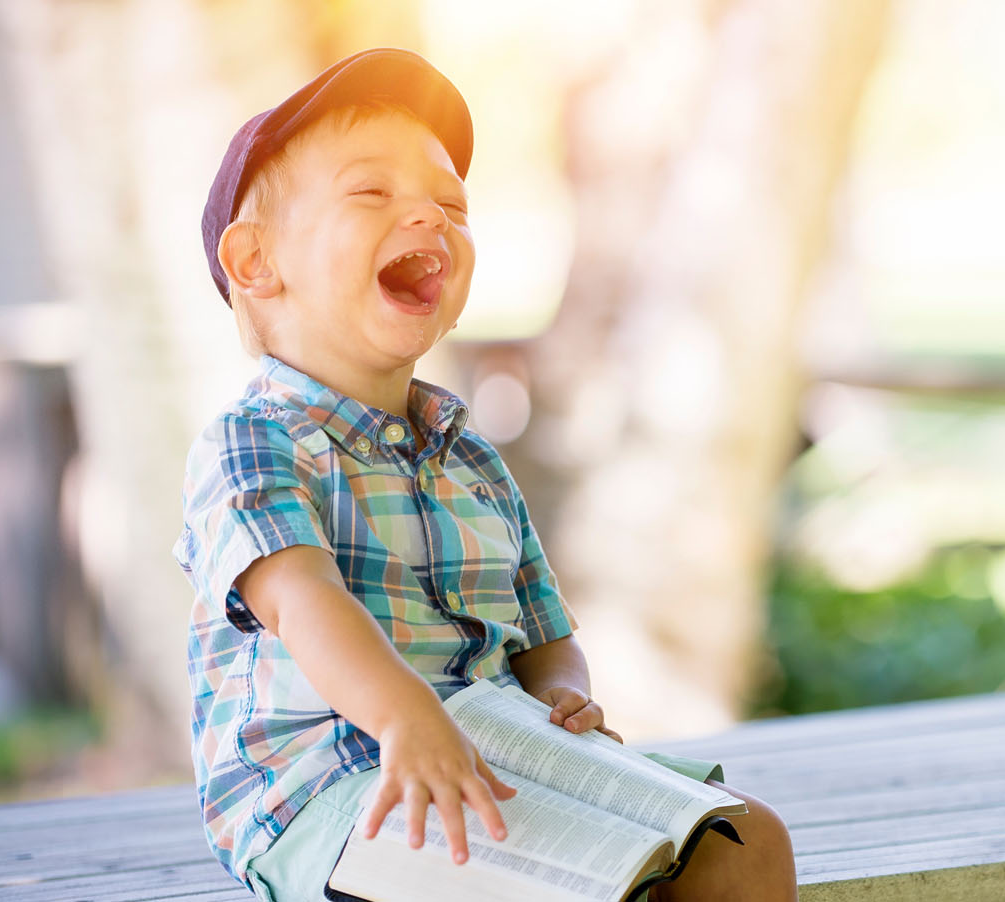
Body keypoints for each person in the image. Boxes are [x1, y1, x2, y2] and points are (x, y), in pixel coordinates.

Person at [174, 47, 795, 902]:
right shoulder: (253, 441)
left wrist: (565, 696)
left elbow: (545, 635)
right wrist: (406, 717)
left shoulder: (472, 460)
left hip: (502, 760)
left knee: (747, 841)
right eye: (371, 192)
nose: (427, 216)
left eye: (451, 204)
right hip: (333, 789)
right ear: (255, 263)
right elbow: (304, 600)